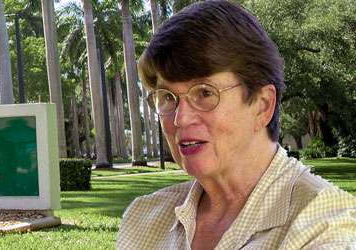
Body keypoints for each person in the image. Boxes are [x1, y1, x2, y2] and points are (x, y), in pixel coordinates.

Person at [116, 1, 355, 249]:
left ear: (262, 105)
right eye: (167, 97)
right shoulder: (143, 219)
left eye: (205, 93)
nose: (180, 118)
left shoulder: (326, 225)